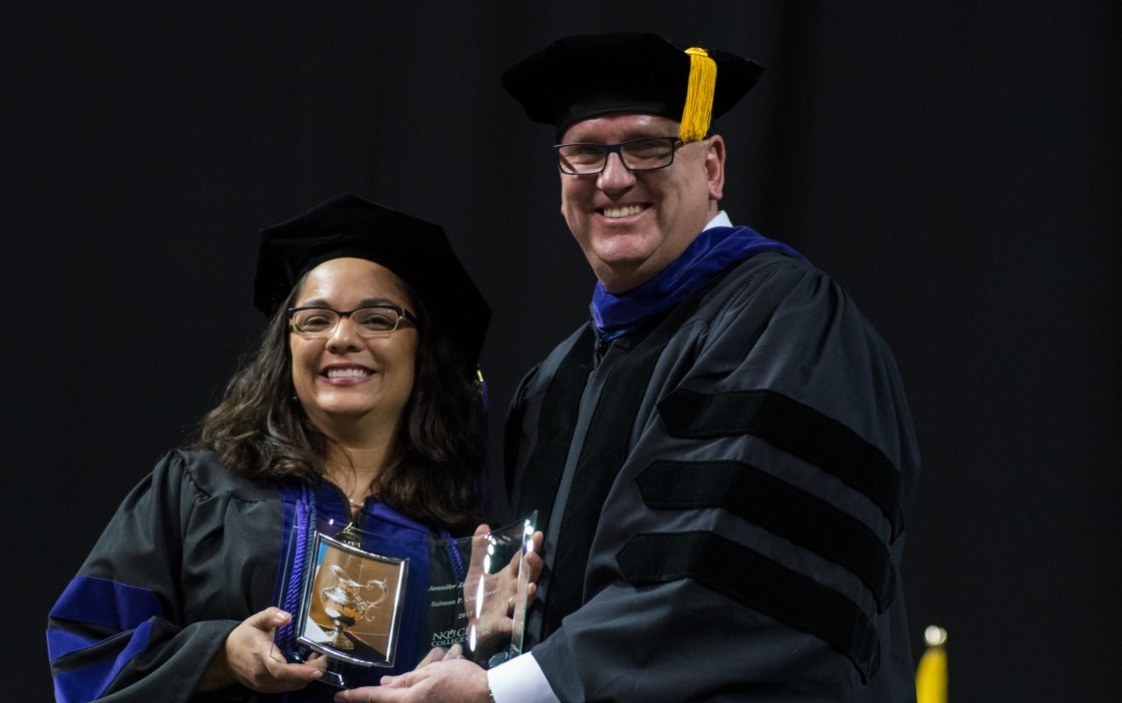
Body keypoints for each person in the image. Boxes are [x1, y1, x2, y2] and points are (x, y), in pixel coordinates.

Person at [338, 31, 920, 703]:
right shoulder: (557, 378)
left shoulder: (787, 321)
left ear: (712, 166)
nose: (612, 179)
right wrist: (485, 634)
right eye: (583, 153)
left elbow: (727, 580)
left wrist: (505, 690)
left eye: (647, 146)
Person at [45, 193, 516, 702]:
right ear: (285, 346)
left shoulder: (458, 539)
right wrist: (220, 655)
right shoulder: (198, 495)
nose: (341, 337)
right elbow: (85, 651)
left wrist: (483, 651)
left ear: (422, 349)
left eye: (377, 319)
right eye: (315, 319)